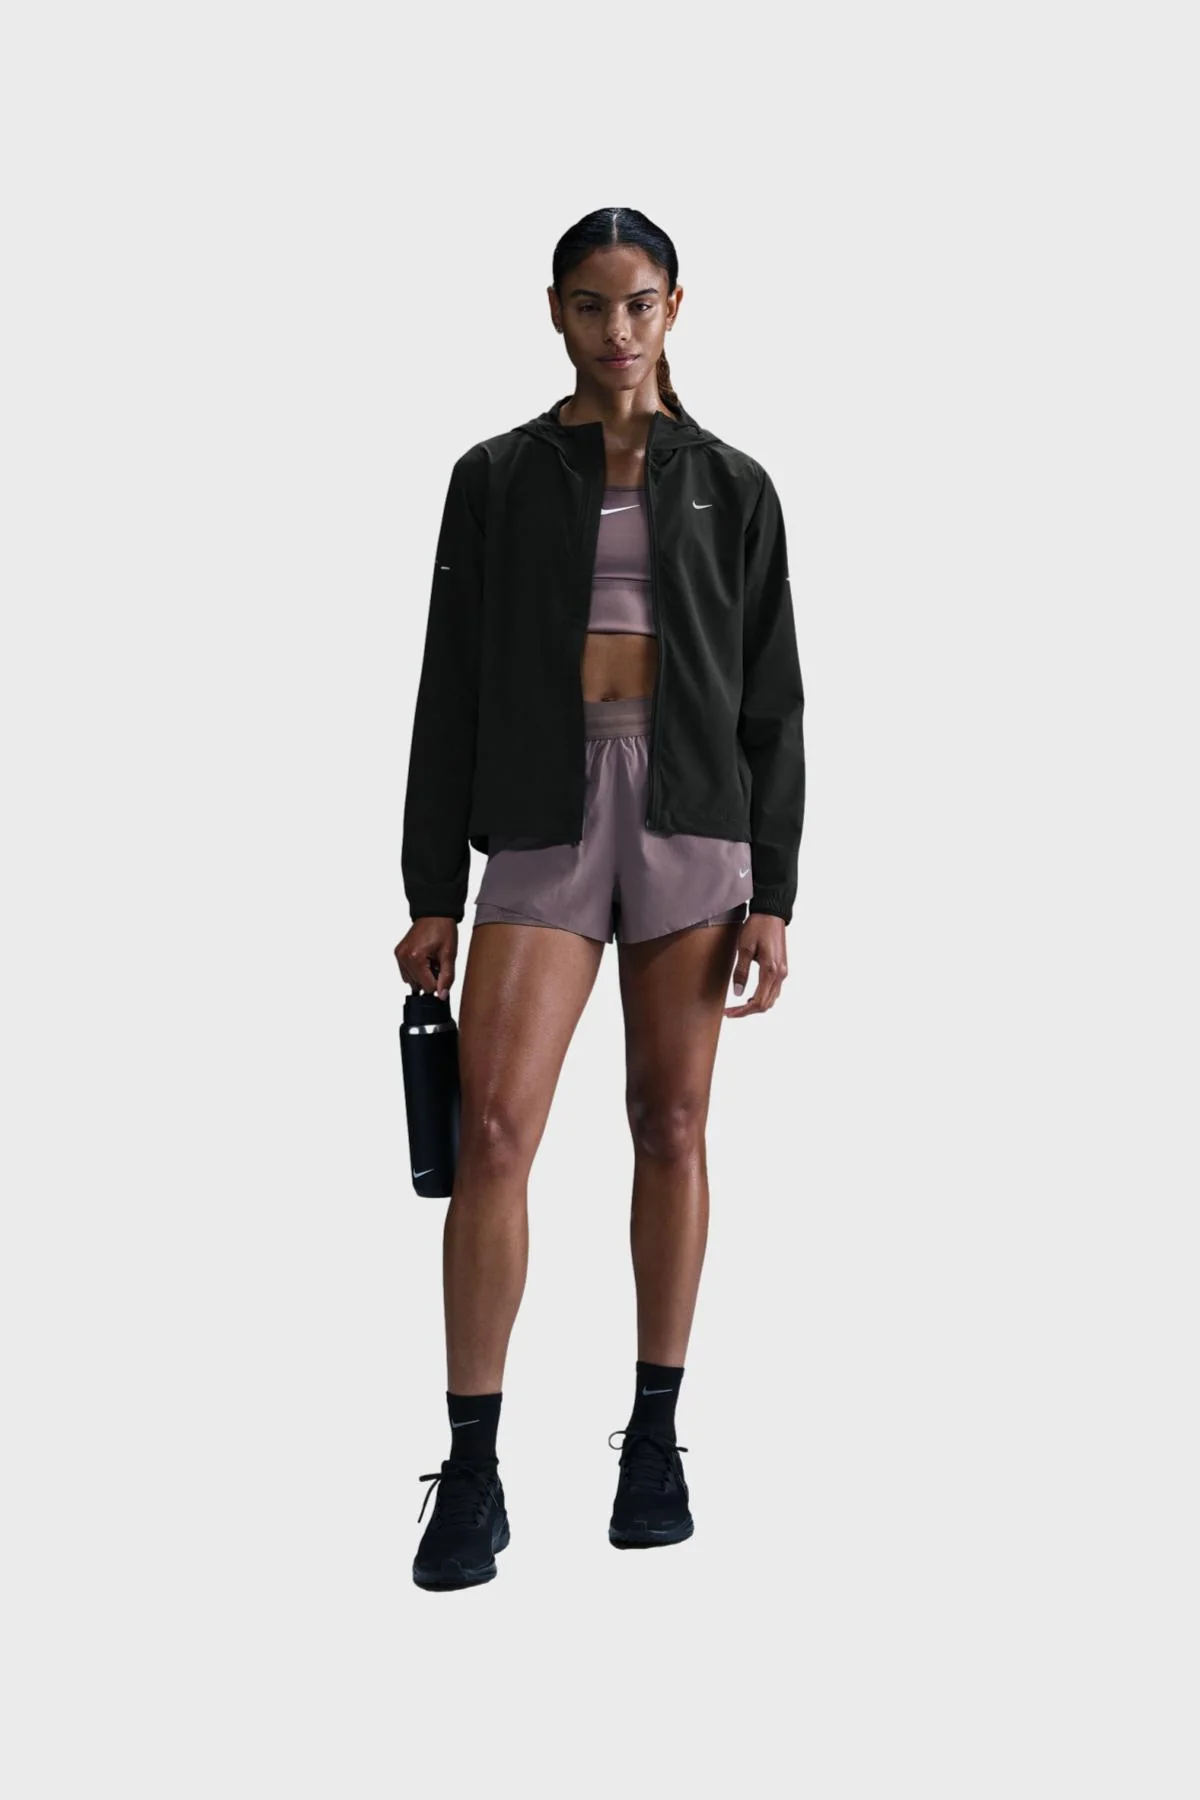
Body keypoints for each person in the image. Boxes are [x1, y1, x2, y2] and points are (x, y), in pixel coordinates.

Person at [394, 206, 805, 1591]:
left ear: (674, 308)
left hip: (692, 817)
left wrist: (775, 890)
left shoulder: (734, 484)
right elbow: (448, 683)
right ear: (555, 312)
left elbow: (772, 698)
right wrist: (430, 885)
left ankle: (655, 1442)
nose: (616, 330)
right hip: (542, 810)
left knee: (671, 1123)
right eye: (590, 304)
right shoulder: (497, 477)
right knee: (493, 1129)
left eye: (638, 304)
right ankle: (473, 1469)